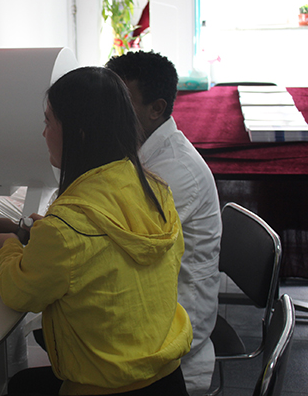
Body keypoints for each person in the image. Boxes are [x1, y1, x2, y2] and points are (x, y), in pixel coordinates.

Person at [0, 66, 192, 395]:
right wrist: (33, 231)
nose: (43, 134)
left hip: (106, 386)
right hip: (166, 377)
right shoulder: (155, 190)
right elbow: (105, 245)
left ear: (80, 133)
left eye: (49, 122)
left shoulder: (67, 225)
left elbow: (20, 293)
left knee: (17, 386)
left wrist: (7, 246)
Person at [106, 51, 222, 396]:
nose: (109, 112)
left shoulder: (174, 172)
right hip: (152, 296)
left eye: (122, 102)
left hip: (177, 316)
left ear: (156, 109)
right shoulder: (139, 147)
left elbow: (118, 242)